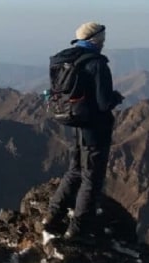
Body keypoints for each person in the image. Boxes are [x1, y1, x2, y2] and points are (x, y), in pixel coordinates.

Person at [45, 22, 124, 241]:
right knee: (92, 178)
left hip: (76, 122)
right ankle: (78, 229)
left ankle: (52, 215)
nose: (104, 42)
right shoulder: (97, 63)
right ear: (95, 40)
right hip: (95, 127)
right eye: (103, 38)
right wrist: (115, 98)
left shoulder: (66, 59)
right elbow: (103, 102)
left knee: (75, 170)